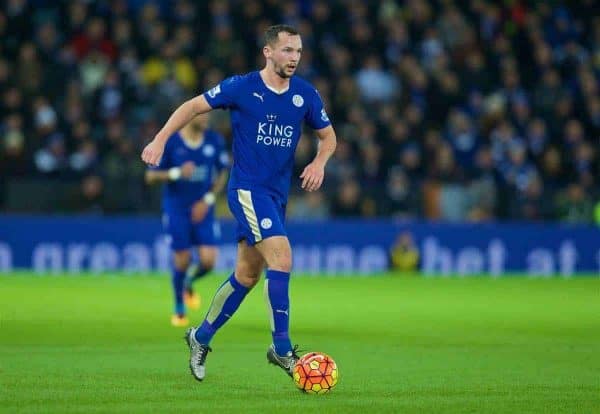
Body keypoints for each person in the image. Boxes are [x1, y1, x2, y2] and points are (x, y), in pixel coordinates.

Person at [141, 24, 337, 382]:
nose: (294, 58)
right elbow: (192, 106)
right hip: (247, 190)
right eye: (287, 51)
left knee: (247, 274)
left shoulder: (305, 95)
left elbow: (328, 136)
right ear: (268, 52)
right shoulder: (242, 87)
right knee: (283, 257)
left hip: (276, 196)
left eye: (298, 52)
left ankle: (199, 338)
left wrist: (319, 162)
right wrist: (159, 140)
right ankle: (281, 348)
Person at [145, 113, 229, 327]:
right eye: (202, 115)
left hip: (203, 208)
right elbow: (150, 176)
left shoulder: (214, 140)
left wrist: (208, 199)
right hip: (177, 210)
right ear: (190, 116)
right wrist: (176, 173)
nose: (207, 119)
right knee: (182, 259)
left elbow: (222, 173)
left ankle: (189, 282)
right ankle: (179, 307)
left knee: (209, 261)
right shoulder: (172, 141)